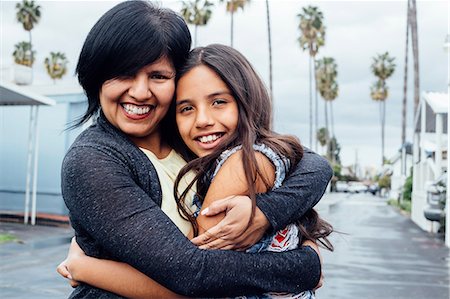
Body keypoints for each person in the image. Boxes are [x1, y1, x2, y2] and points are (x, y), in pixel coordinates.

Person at [58, 1, 332, 298]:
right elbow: (191, 274)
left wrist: (267, 212)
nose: (139, 92)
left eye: (158, 76)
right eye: (123, 74)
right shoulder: (93, 160)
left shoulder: (189, 136)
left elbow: (311, 163)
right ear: (97, 76)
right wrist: (304, 265)